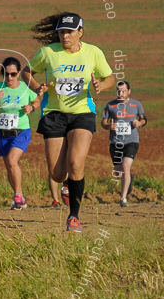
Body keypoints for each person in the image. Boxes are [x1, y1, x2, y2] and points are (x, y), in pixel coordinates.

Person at [23, 12, 115, 232]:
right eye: (62, 32)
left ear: (80, 32)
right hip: (53, 113)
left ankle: (74, 216)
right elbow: (27, 71)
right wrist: (37, 87)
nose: (65, 36)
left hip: (82, 113)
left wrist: (101, 85)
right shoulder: (47, 52)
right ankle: (66, 184)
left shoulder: (93, 52)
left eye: (70, 32)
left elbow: (110, 77)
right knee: (57, 173)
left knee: (76, 163)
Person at [0, 57, 40, 209]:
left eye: (13, 74)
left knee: (12, 161)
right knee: (9, 166)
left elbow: (36, 100)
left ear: (18, 73)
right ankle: (18, 197)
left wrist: (31, 108)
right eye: (7, 74)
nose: (9, 77)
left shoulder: (25, 88)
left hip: (21, 131)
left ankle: (18, 196)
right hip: (3, 132)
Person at [101, 80, 146, 207]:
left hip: (131, 141)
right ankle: (129, 178)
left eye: (123, 91)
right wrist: (110, 126)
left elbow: (144, 119)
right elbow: (103, 122)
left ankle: (123, 198)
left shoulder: (136, 104)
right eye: (119, 91)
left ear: (129, 91)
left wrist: (139, 123)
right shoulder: (110, 105)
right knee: (118, 172)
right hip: (115, 142)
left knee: (126, 166)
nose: (120, 93)